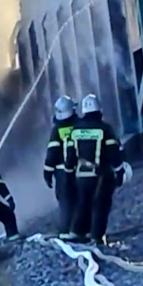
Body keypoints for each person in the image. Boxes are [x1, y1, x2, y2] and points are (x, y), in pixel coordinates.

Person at [68, 93, 133, 246]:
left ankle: (77, 232)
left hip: (81, 175)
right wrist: (119, 171)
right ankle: (96, 236)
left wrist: (68, 172)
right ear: (99, 110)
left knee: (82, 203)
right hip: (101, 175)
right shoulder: (105, 129)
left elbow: (70, 155)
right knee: (100, 205)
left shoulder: (75, 130)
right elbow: (113, 153)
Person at [43, 95, 80, 240]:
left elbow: (52, 153)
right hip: (79, 170)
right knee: (81, 199)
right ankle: (81, 231)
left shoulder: (57, 130)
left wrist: (47, 173)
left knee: (65, 202)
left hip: (62, 173)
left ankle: (65, 232)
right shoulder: (80, 126)